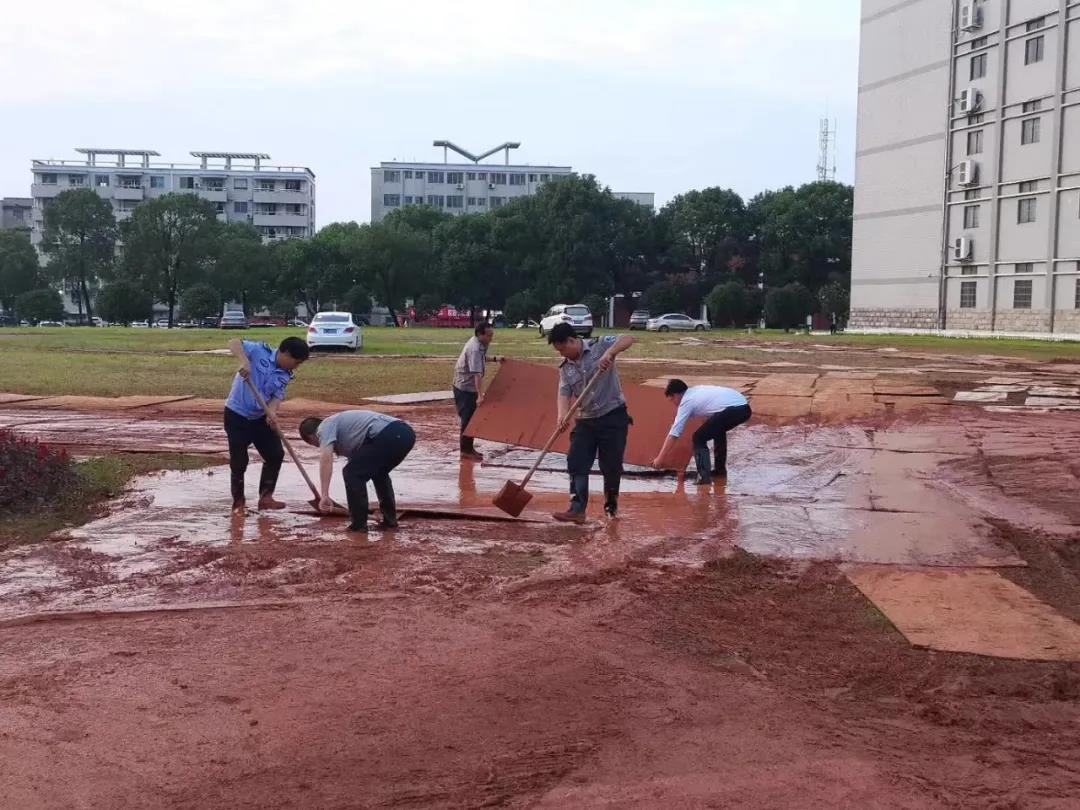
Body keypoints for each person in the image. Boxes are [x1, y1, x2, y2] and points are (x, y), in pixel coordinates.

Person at [548, 322, 635, 524]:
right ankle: (577, 508)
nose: (562, 354)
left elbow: (629, 339)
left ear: (572, 340)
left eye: (563, 349)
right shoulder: (565, 368)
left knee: (611, 465)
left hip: (612, 415)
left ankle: (611, 507)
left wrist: (610, 353)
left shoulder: (600, 345)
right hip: (586, 420)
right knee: (576, 461)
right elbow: (564, 392)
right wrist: (562, 415)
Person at [224, 336, 310, 513]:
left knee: (275, 454)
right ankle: (238, 503)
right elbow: (233, 342)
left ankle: (266, 498)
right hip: (236, 415)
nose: (296, 366)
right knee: (239, 461)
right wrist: (245, 362)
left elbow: (277, 395)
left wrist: (272, 412)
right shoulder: (258, 351)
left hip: (260, 418)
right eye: (296, 362)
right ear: (285, 353)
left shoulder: (286, 374)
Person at [299, 410, 416, 534]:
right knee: (378, 473)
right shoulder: (346, 431)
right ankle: (390, 521)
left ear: (312, 437)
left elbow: (326, 459)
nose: (319, 446)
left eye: (315, 444)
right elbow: (359, 461)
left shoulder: (324, 428)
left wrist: (324, 494)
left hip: (390, 434)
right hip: (405, 434)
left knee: (352, 474)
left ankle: (358, 525)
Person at [652, 379, 752, 485]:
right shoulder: (694, 391)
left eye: (672, 400)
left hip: (736, 409)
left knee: (698, 438)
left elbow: (675, 433)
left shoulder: (686, 401)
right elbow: (711, 411)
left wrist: (660, 459)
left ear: (676, 395)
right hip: (743, 407)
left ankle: (704, 477)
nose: (673, 404)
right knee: (717, 431)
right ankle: (720, 471)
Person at [452, 322, 497, 461]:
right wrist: (480, 395)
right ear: (480, 334)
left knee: (471, 418)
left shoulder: (481, 344)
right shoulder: (475, 348)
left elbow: (482, 359)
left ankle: (469, 448)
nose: (491, 338)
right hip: (465, 388)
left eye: (492, 335)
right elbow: (476, 375)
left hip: (468, 386)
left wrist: (496, 359)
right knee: (468, 420)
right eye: (489, 335)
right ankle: (465, 451)